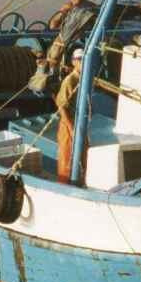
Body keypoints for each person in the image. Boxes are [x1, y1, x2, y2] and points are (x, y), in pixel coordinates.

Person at [29, 0, 97, 92]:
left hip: (75, 44)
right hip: (61, 43)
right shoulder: (69, 8)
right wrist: (62, 12)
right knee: (50, 58)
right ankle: (45, 82)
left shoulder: (91, 10)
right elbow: (52, 26)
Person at [54, 48, 87, 185]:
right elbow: (62, 107)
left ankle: (81, 183)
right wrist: (71, 127)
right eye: (79, 60)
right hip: (69, 125)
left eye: (83, 59)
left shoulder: (84, 79)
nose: (81, 62)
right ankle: (64, 186)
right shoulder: (70, 80)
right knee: (66, 160)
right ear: (74, 62)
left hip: (80, 124)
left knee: (84, 156)